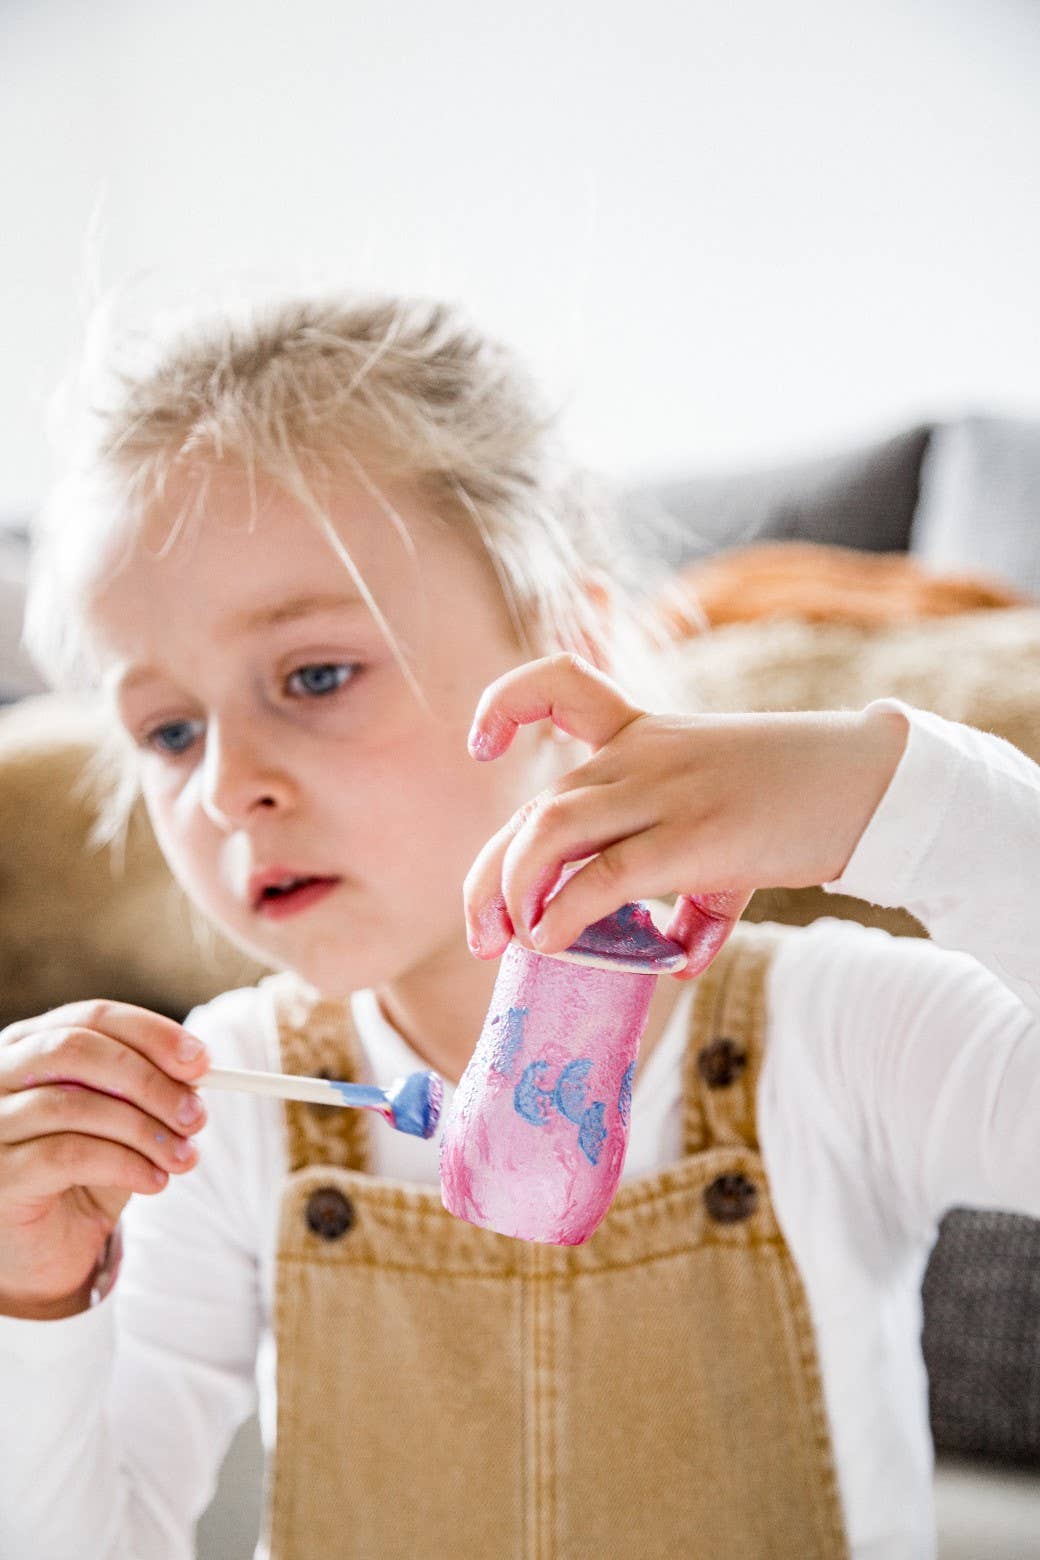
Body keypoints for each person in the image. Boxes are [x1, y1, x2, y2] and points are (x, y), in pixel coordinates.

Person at [0, 293, 1037, 1560]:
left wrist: (904, 790)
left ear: (570, 648)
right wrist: (34, 1296)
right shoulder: (218, 1114)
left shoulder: (835, 1033)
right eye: (169, 731)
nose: (224, 786)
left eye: (315, 676)